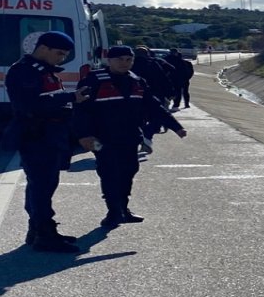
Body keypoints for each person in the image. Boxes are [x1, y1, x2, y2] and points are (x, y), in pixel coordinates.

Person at [74, 46, 187, 228]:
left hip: (130, 137)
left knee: (128, 172)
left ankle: (123, 209)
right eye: (119, 59)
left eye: (128, 60)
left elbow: (154, 106)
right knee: (109, 173)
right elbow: (80, 111)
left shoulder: (137, 81)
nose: (124, 63)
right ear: (109, 60)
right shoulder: (93, 81)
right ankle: (113, 212)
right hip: (102, 139)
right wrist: (84, 135)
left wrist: (176, 127)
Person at [1, 31, 90, 253]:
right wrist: (70, 97)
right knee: (41, 186)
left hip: (51, 136)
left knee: (45, 185)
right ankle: (44, 234)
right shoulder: (24, 71)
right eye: (59, 54)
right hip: (37, 136)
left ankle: (38, 229)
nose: (61, 59)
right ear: (43, 48)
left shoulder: (45, 72)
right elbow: (30, 105)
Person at [132, 46, 174, 157]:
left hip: (135, 97)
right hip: (154, 95)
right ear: (147, 54)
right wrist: (170, 93)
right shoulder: (153, 64)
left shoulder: (129, 65)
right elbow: (164, 78)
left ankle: (137, 142)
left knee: (136, 121)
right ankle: (147, 137)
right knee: (156, 119)